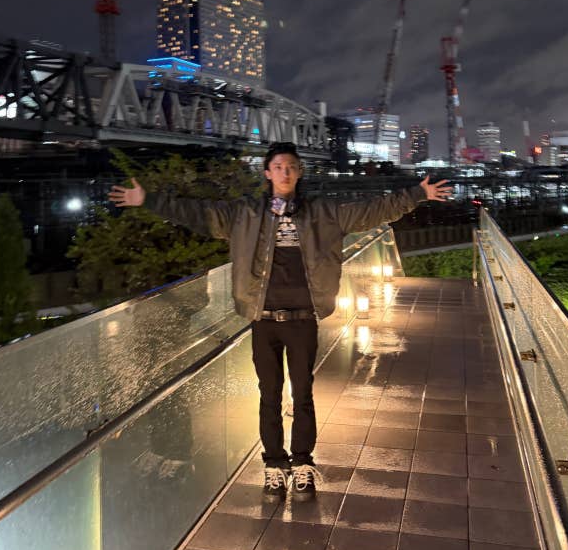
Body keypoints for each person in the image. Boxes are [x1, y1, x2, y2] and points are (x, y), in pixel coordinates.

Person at [109, 141, 452, 501]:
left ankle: (302, 464)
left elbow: (374, 210)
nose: (285, 172)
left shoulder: (324, 213)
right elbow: (196, 212)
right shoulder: (244, 214)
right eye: (278, 167)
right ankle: (274, 466)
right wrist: (147, 200)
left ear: (299, 172)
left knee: (302, 394)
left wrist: (418, 193)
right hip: (263, 318)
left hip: (303, 317)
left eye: (291, 167)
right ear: (267, 173)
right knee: (269, 395)